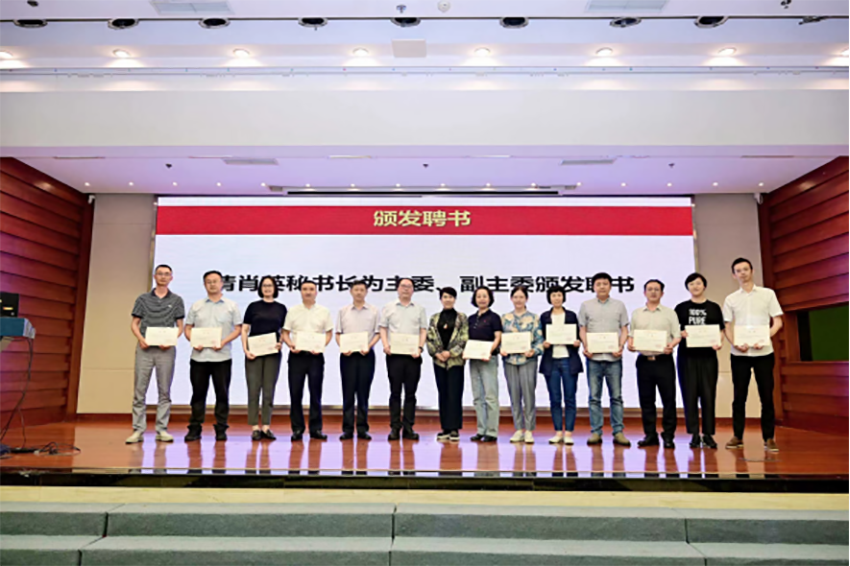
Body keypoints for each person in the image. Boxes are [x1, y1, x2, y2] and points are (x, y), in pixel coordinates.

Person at [722, 258, 784, 452]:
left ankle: (769, 437)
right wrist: (735, 343)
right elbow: (726, 326)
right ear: (734, 275)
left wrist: (765, 338)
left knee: (766, 395)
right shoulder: (731, 299)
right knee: (739, 396)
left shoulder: (767, 294)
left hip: (764, 352)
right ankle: (737, 436)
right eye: (738, 271)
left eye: (745, 269)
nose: (742, 273)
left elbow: (778, 322)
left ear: (752, 271)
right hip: (739, 354)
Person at [126, 264, 185, 444]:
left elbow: (180, 326)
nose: (163, 277)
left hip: (166, 350)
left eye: (167, 274)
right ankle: (138, 430)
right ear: (154, 276)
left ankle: (162, 429)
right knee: (139, 390)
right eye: (160, 274)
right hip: (145, 349)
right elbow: (134, 323)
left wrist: (171, 340)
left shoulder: (177, 300)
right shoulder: (143, 299)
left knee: (164, 391)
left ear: (171, 278)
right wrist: (141, 339)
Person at [184, 270, 242, 442]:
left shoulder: (231, 306)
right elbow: (188, 328)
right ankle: (195, 428)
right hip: (199, 357)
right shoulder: (197, 305)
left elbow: (238, 329)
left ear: (222, 283)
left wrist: (223, 342)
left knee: (222, 395)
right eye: (208, 282)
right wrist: (193, 340)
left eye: (215, 281)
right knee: (198, 394)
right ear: (204, 285)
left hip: (222, 357)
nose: (212, 284)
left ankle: (221, 428)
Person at [579, 272, 631, 447]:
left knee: (616, 397)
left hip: (614, 358)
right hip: (593, 358)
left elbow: (624, 329)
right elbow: (582, 329)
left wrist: (621, 346)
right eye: (598, 284)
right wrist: (586, 346)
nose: (602, 286)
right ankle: (596, 432)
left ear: (610, 286)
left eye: (605, 283)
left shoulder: (619, 305)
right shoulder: (586, 305)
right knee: (594, 397)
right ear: (593, 286)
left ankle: (618, 432)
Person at [628, 279, 681, 449]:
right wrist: (630, 344)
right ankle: (650, 434)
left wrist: (671, 345)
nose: (653, 292)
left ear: (662, 293)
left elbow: (677, 335)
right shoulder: (637, 313)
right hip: (644, 362)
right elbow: (632, 335)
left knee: (669, 400)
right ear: (644, 292)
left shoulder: (670, 313)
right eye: (650, 289)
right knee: (646, 400)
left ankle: (668, 435)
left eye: (656, 289)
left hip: (663, 361)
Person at [675, 272, 725, 449]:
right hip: (686, 357)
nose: (695, 286)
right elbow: (674, 331)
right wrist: (680, 334)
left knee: (708, 395)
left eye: (698, 283)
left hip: (708, 357)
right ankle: (694, 434)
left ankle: (708, 434)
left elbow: (720, 330)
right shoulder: (680, 308)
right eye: (691, 284)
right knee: (689, 395)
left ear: (704, 285)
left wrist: (719, 342)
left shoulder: (714, 307)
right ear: (687, 287)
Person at [282, 280, 334, 441]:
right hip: (297, 356)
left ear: (316, 292)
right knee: (295, 394)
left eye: (311, 289)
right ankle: (297, 429)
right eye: (305, 289)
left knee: (315, 394)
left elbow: (329, 333)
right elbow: (285, 332)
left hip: (315, 357)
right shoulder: (293, 311)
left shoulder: (324, 311)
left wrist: (321, 346)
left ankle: (316, 429)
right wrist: (290, 345)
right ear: (300, 292)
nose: (308, 292)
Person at [379, 277, 429, 441]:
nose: (406, 289)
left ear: (413, 290)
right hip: (394, 356)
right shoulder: (389, 307)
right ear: (398, 289)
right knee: (395, 393)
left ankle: (408, 427)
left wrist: (420, 348)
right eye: (403, 286)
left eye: (409, 286)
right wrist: (385, 345)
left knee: (410, 393)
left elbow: (423, 330)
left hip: (413, 356)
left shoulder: (419, 309)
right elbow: (383, 328)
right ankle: (395, 427)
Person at [240, 276, 287, 442]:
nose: (267, 288)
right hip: (254, 353)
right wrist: (245, 349)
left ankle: (266, 426)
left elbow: (284, 331)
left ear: (275, 288)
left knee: (269, 390)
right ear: (260, 288)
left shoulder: (281, 308)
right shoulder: (253, 306)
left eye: (270, 285)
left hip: (272, 353)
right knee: (253, 390)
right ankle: (254, 427)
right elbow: (245, 329)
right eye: (264, 285)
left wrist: (281, 343)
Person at [335, 280, 381, 441]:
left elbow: (378, 333)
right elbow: (338, 333)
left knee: (363, 393)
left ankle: (362, 429)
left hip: (366, 355)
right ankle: (347, 429)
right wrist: (343, 347)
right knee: (348, 393)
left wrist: (369, 346)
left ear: (366, 292)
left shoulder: (374, 311)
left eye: (362, 290)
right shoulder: (343, 311)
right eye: (356, 290)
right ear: (351, 292)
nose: (359, 292)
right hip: (347, 356)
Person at [539, 285, 583, 445]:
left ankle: (569, 432)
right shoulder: (544, 316)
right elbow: (539, 337)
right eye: (553, 295)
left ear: (563, 297)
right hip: (551, 361)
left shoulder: (571, 315)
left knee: (570, 398)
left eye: (559, 295)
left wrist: (577, 342)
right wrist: (543, 343)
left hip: (568, 360)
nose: (556, 298)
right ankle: (558, 432)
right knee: (555, 399)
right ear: (549, 298)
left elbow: (578, 335)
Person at [500, 285, 544, 445]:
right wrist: (500, 349)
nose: (518, 300)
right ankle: (518, 428)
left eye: (521, 297)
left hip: (528, 360)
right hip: (510, 361)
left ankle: (529, 429)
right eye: (516, 297)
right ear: (511, 299)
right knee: (514, 394)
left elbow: (540, 341)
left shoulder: (534, 318)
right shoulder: (504, 318)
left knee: (528, 394)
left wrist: (534, 351)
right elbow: (499, 339)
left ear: (526, 299)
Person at [426, 287, 469, 442]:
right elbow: (429, 338)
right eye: (445, 297)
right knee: (443, 393)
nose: (448, 299)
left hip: (455, 361)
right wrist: (437, 353)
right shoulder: (434, 318)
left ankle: (454, 428)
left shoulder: (462, 317)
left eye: (451, 297)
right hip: (439, 361)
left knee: (455, 394)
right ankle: (445, 428)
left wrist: (450, 353)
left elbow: (464, 338)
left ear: (455, 299)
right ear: (441, 299)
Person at [465, 286, 502, 443]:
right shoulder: (471, 319)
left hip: (488, 359)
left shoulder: (494, 317)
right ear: (475, 299)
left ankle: (492, 431)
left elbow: (498, 337)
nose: (482, 299)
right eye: (478, 296)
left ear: (490, 299)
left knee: (490, 397)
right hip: (474, 360)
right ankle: (481, 430)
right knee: (477, 397)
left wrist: (488, 352)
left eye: (485, 296)